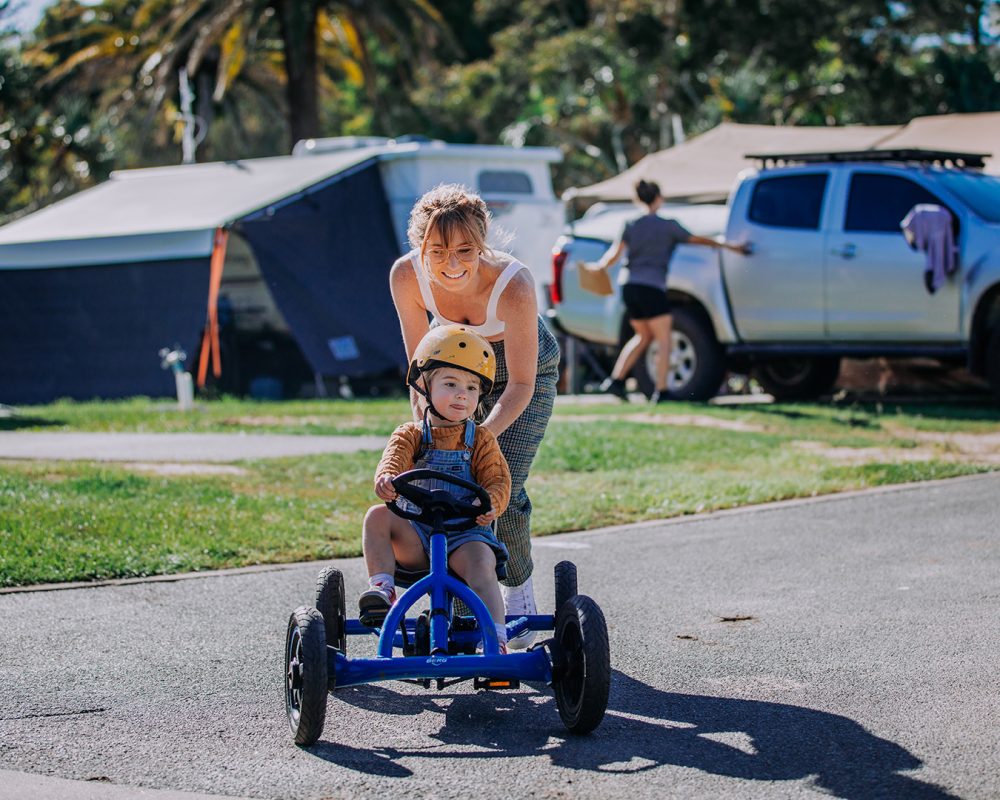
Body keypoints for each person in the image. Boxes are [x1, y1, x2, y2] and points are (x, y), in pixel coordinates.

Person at [388, 184, 560, 649]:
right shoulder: (406, 277)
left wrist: (475, 436)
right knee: (447, 491)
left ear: (482, 243)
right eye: (438, 251)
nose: (452, 263)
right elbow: (419, 374)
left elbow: (522, 384)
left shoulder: (514, 284)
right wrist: (431, 433)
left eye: (465, 249)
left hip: (520, 377)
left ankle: (519, 594)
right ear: (419, 245)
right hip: (452, 376)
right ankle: (464, 616)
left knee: (499, 486)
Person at [359, 324, 513, 651]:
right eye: (451, 383)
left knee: (482, 566)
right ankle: (383, 589)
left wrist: (491, 503)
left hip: (464, 534)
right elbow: (394, 459)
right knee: (376, 517)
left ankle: (496, 639)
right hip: (417, 531)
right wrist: (387, 479)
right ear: (425, 386)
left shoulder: (481, 440)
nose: (462, 394)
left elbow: (497, 480)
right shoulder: (411, 434)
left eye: (472, 388)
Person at [590, 179, 748, 403]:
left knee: (643, 336)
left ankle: (616, 380)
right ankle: (661, 391)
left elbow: (614, 255)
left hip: (630, 286)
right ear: (658, 198)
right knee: (664, 339)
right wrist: (731, 247)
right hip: (652, 286)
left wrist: (597, 268)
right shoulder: (668, 226)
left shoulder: (631, 224)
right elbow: (699, 240)